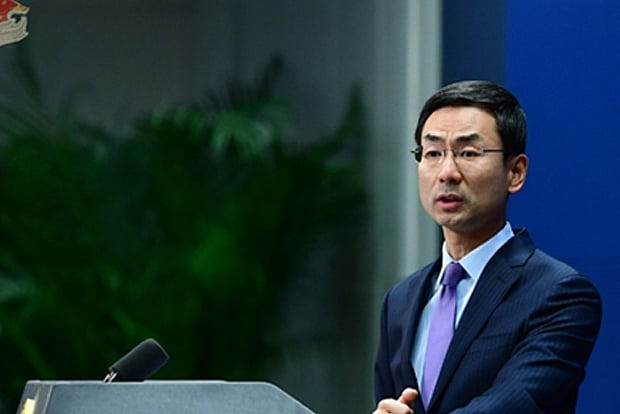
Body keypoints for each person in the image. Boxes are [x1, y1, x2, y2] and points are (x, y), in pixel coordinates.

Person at [373, 80, 602, 414]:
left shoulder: (559, 294)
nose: (447, 172)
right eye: (433, 153)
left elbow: (514, 405)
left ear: (516, 172)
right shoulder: (400, 300)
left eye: (468, 153)